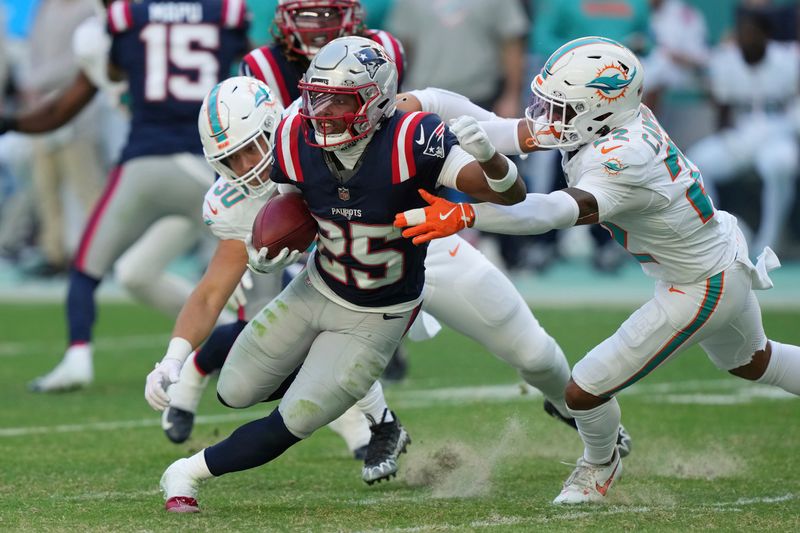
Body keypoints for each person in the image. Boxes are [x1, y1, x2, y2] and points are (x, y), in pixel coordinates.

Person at [395, 36, 800, 504]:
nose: (546, 117)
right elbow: (504, 129)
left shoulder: (622, 155)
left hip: (700, 283)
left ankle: (599, 465)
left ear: (599, 110)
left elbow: (548, 213)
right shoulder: (603, 122)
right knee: (755, 362)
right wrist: (426, 101)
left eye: (559, 108)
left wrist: (468, 215)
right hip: (714, 257)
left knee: (583, 390)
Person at [151, 35, 527, 513]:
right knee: (236, 390)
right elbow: (215, 286)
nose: (323, 112)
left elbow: (504, 186)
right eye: (315, 96)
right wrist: (173, 357)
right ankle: (370, 409)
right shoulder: (290, 138)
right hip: (318, 285)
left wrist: (498, 151)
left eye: (338, 101)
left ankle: (185, 472)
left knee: (297, 418)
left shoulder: (404, 137)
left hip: (380, 305)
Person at [22, 0, 249, 392]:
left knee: (86, 269)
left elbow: (97, 82)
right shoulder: (224, 13)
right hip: (207, 166)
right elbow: (250, 73)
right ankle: (246, 338)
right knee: (249, 268)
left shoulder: (120, 21)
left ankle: (78, 354)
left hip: (143, 162)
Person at [687, 8, 799, 256]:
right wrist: (724, 139)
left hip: (778, 131)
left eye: (753, 32)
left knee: (779, 164)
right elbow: (723, 111)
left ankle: (768, 243)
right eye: (743, 32)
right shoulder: (725, 60)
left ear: (766, 34)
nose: (747, 37)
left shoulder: (788, 58)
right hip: (741, 133)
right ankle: (716, 236)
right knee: (695, 163)